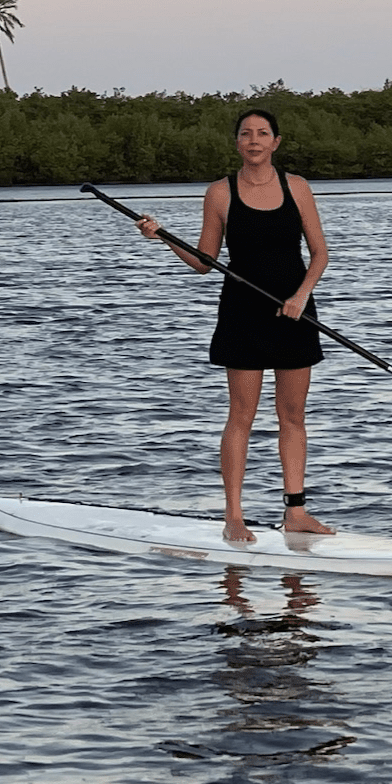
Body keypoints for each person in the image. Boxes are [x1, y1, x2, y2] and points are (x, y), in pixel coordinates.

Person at [136, 108, 333, 545]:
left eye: (263, 133)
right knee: (241, 415)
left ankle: (296, 511)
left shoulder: (297, 188)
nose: (254, 140)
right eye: (246, 134)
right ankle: (233, 516)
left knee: (293, 417)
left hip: (295, 311)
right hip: (243, 314)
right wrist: (163, 236)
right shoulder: (219, 193)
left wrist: (301, 296)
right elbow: (205, 263)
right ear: (237, 143)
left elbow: (319, 253)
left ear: (276, 142)